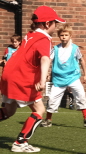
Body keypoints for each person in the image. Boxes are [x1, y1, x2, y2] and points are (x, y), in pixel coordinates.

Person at [0, 6, 65, 152]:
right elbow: (44, 60)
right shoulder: (44, 39)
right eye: (55, 23)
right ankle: (20, 143)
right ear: (47, 24)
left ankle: (20, 142)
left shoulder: (29, 35)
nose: (56, 26)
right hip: (22, 78)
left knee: (9, 111)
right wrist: (43, 81)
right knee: (40, 109)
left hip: (8, 74)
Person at [40, 23, 86, 127]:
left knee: (81, 95)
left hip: (73, 77)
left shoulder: (75, 48)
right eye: (62, 35)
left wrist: (85, 75)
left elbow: (81, 60)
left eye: (66, 35)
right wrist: (47, 73)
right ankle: (48, 120)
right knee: (52, 99)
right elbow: (48, 61)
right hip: (58, 79)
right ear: (59, 36)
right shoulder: (55, 49)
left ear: (70, 36)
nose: (64, 37)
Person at [1, 34, 22, 107]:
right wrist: (3, 61)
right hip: (8, 70)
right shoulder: (8, 49)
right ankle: (4, 101)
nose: (14, 43)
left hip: (17, 71)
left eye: (15, 42)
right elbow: (4, 58)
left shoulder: (22, 50)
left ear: (19, 42)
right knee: (5, 85)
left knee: (17, 86)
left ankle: (18, 101)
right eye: (13, 42)